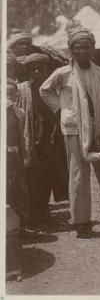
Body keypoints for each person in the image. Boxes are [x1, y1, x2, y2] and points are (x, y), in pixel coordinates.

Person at [39, 27, 100, 238]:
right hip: (74, 130)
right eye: (78, 47)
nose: (83, 51)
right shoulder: (62, 73)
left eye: (87, 47)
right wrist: (62, 108)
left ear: (93, 49)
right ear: (71, 50)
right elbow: (44, 90)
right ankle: (81, 223)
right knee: (79, 176)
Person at [17, 53, 69, 229]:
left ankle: (44, 212)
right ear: (29, 70)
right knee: (32, 178)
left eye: (41, 67)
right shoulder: (22, 90)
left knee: (48, 177)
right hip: (30, 140)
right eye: (33, 68)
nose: (37, 71)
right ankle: (33, 214)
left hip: (51, 141)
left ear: (48, 69)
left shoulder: (54, 89)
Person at [6, 79, 30, 229]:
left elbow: (24, 136)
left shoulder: (20, 113)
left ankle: (21, 225)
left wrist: (25, 155)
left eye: (12, 94)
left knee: (19, 189)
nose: (9, 96)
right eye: (7, 93)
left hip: (16, 156)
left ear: (16, 96)